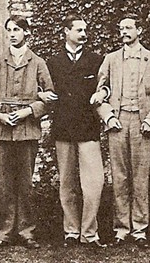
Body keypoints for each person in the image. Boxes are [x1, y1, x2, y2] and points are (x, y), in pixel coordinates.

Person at [90, 13, 150, 246]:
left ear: (139, 30)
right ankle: (121, 229)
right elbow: (99, 93)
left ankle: (140, 230)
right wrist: (108, 117)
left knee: (141, 177)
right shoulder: (111, 59)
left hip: (142, 123)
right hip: (118, 121)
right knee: (120, 177)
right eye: (121, 28)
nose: (124, 32)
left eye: (128, 28)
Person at [0, 15, 54, 249]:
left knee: (26, 184)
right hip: (3, 131)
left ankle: (27, 231)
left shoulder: (38, 63)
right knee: (4, 184)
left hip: (27, 130)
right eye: (9, 30)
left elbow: (50, 97)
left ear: (26, 33)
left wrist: (28, 111)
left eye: (17, 30)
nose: (12, 34)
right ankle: (4, 232)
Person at [41, 13, 106, 248]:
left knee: (93, 183)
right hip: (64, 128)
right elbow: (42, 87)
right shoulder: (53, 62)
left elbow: (105, 85)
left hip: (88, 128)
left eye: (85, 30)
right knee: (67, 183)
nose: (83, 34)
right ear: (66, 32)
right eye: (79, 30)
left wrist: (103, 93)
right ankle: (70, 231)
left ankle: (90, 233)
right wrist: (41, 94)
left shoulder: (96, 60)